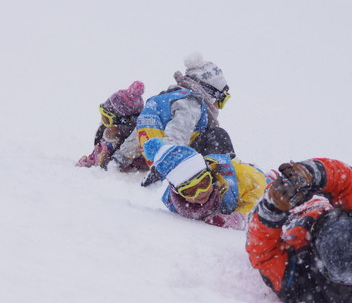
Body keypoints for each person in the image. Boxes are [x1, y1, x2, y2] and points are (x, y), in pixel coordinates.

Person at [246, 158, 352, 303]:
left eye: (319, 229)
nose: (322, 221)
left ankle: (269, 185)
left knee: (265, 204)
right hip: (323, 201)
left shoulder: (298, 286)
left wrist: (270, 210)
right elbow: (350, 183)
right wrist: (313, 173)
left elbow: (263, 252)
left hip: (292, 220)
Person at [108, 53, 235, 181]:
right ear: (210, 93)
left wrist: (118, 160)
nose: (219, 107)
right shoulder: (190, 102)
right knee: (218, 135)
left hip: (157, 159)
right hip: (170, 165)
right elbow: (176, 134)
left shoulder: (160, 101)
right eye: (222, 100)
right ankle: (227, 177)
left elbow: (136, 136)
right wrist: (166, 167)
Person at [142, 137, 269, 230]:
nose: (200, 192)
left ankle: (271, 175)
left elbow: (259, 191)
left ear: (211, 176)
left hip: (257, 177)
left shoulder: (238, 177)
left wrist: (240, 217)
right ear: (177, 192)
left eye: (204, 183)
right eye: (190, 191)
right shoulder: (174, 203)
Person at [76, 81, 148, 172]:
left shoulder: (113, 135)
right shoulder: (136, 132)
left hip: (119, 165)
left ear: (121, 120)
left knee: (109, 135)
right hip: (130, 161)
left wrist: (90, 161)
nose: (103, 122)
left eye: (107, 119)